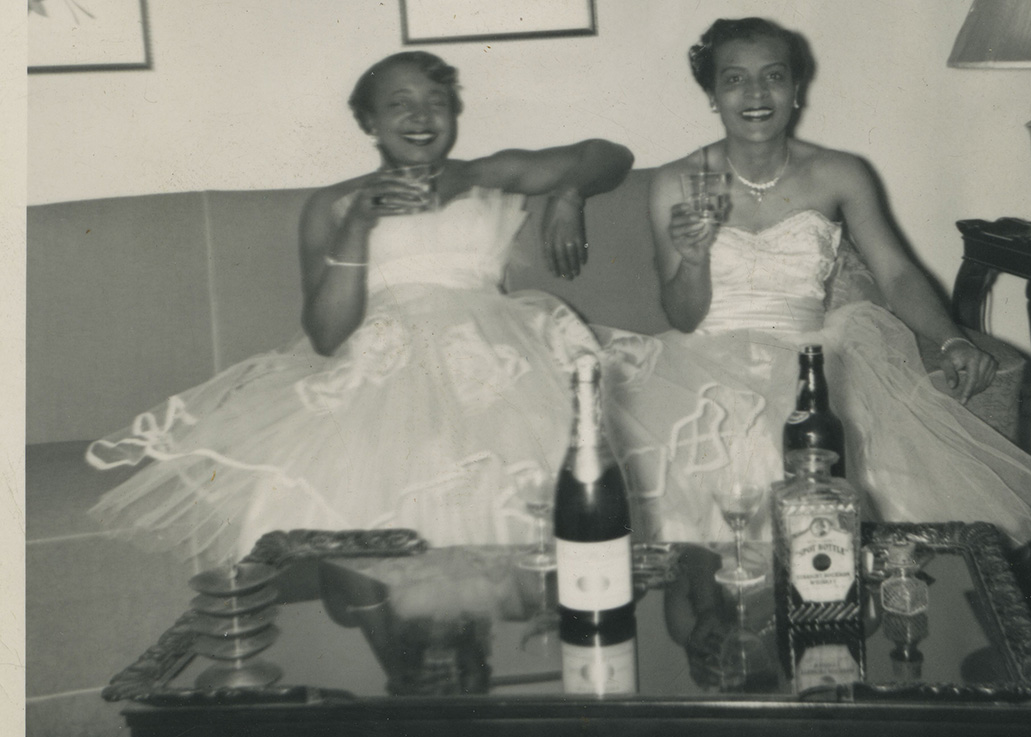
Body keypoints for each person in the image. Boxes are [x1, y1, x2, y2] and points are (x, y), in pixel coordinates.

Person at [86, 50, 633, 565]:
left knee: (547, 472)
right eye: (399, 104)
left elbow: (610, 156)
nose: (421, 116)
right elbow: (327, 336)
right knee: (373, 489)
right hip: (385, 372)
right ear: (369, 122)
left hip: (499, 362)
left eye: (436, 103)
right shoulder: (333, 204)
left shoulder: (486, 173)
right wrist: (359, 223)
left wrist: (568, 193)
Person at [596, 17, 1031, 547]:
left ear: (796, 88)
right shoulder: (675, 182)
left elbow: (897, 272)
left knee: (815, 448)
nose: (756, 94)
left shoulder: (840, 173)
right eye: (734, 79)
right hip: (703, 364)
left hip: (813, 362)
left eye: (773, 76)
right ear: (712, 95)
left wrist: (951, 338)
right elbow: (681, 316)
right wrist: (695, 257)